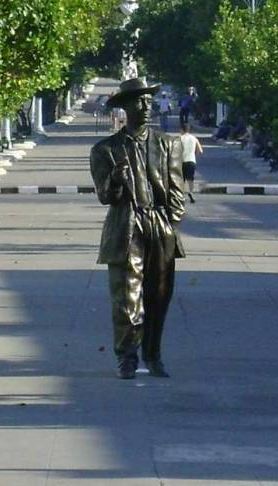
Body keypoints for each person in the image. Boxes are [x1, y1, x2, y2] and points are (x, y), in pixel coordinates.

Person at [90, 77, 187, 380]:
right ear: (125, 107)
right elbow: (105, 196)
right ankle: (127, 356)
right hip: (126, 225)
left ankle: (153, 354)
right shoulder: (106, 150)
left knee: (159, 295)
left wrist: (171, 223)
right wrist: (116, 181)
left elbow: (176, 190)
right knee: (127, 297)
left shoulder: (167, 144)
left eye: (148, 101)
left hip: (159, 225)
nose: (145, 107)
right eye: (138, 102)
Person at [178, 122, 203, 203]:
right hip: (191, 160)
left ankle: (181, 195)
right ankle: (191, 192)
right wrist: (194, 153)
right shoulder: (194, 138)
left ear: (182, 130)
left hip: (181, 161)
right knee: (191, 178)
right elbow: (200, 151)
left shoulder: (179, 139)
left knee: (182, 179)